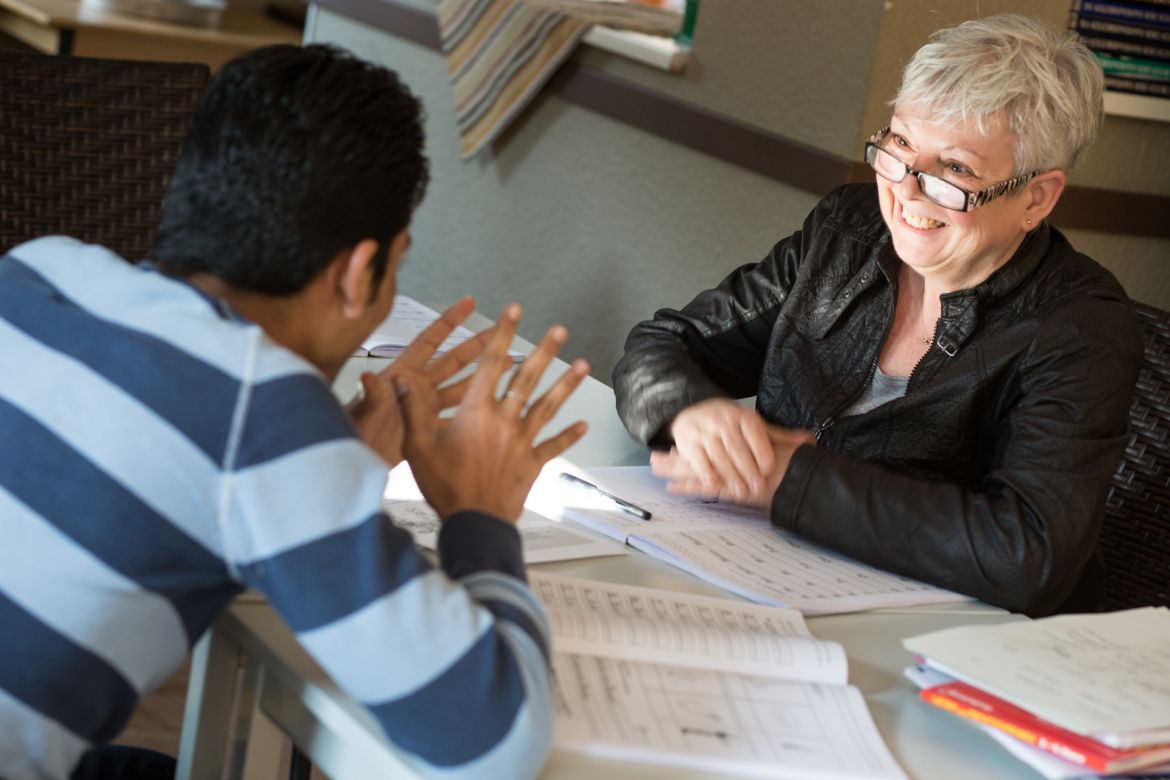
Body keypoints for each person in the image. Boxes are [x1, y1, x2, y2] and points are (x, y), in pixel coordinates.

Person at [0, 44, 590, 779]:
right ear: (355, 274)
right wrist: (480, 515)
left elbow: (163, 500)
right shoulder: (260, 413)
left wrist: (332, 458)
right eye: (393, 267)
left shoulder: (38, 268)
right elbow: (495, 745)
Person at [613, 14, 1143, 618]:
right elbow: (664, 344)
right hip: (768, 579)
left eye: (957, 171)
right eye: (898, 146)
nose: (907, 191)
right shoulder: (847, 229)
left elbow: (1026, 553)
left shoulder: (1080, 329)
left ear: (1036, 198)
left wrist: (794, 481)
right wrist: (690, 408)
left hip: (948, 638)